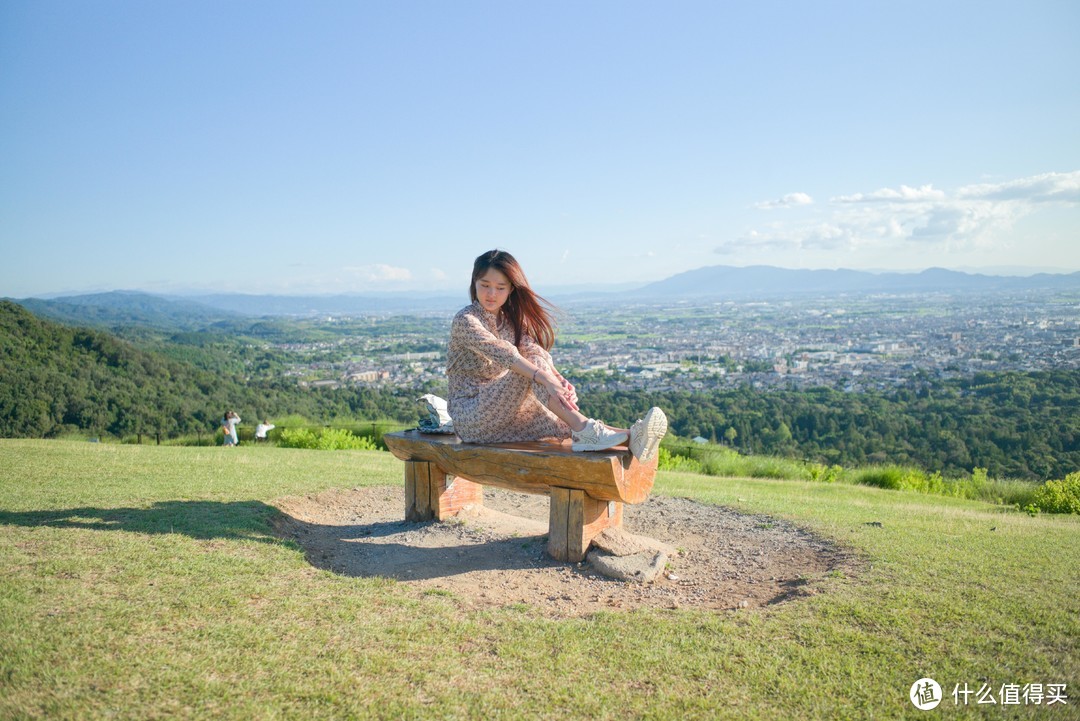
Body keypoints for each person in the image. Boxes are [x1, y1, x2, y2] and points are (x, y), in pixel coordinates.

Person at [447, 249, 667, 460]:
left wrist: (556, 379)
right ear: (474, 283)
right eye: (484, 285)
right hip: (471, 416)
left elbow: (534, 350)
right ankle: (589, 431)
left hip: (499, 412)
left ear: (511, 289)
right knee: (532, 369)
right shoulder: (466, 320)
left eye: (500, 287)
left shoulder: (509, 320)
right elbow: (504, 353)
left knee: (556, 417)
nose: (491, 294)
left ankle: (631, 437)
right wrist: (545, 378)